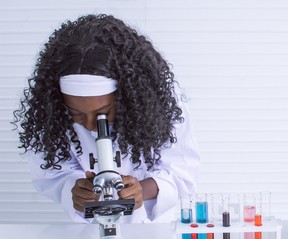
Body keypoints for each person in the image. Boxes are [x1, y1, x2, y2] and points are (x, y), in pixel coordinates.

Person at [12, 14, 200, 223]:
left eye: (103, 113)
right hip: (90, 229)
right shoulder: (53, 113)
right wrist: (75, 188)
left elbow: (182, 171)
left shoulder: (161, 102)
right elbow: (50, 174)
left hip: (154, 227)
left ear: (126, 96)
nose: (92, 126)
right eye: (77, 115)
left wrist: (142, 190)